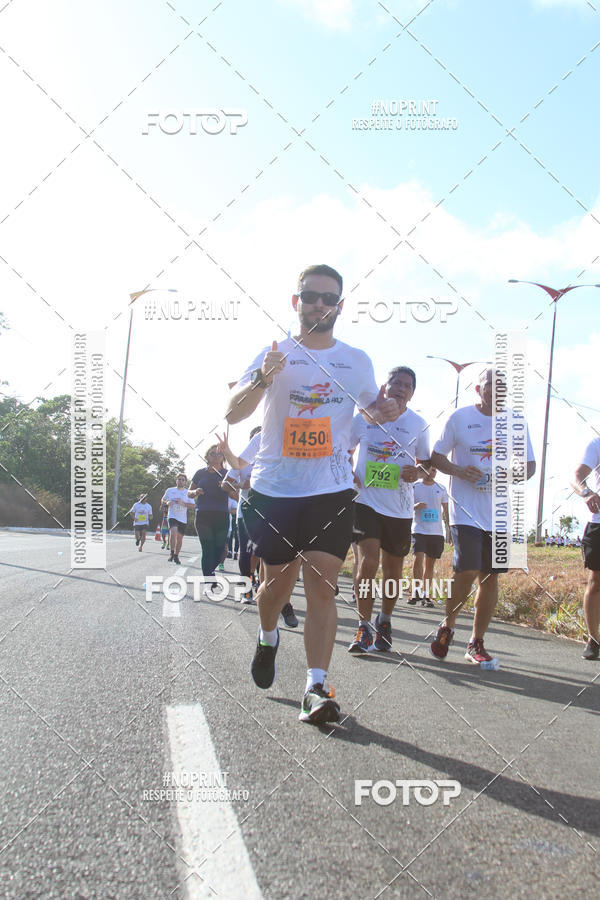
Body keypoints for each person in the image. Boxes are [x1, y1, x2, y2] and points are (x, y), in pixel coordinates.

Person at [226, 263, 400, 724]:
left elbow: (372, 411)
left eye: (329, 299)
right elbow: (233, 413)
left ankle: (316, 687)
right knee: (275, 586)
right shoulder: (274, 351)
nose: (319, 305)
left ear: (340, 306)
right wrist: (263, 378)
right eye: (311, 297)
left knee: (322, 583)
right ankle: (268, 637)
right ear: (296, 301)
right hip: (275, 489)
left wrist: (383, 410)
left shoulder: (356, 360)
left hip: (331, 487)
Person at [430, 368, 536, 665]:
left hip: (499, 515)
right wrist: (459, 471)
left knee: (491, 578)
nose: (496, 389)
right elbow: (436, 457)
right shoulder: (460, 418)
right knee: (465, 571)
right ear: (479, 389)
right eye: (490, 385)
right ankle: (448, 626)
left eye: (502, 385)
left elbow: (529, 466)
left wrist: (509, 473)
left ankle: (476, 642)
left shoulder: (516, 422)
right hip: (464, 511)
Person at [348, 366, 430, 653]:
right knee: (368, 562)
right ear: (385, 386)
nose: (401, 388)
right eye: (396, 383)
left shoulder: (418, 423)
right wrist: (349, 474)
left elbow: (427, 466)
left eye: (407, 385)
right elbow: (342, 450)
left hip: (399, 507)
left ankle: (385, 620)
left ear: (412, 393)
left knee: (393, 571)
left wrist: (417, 474)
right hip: (365, 502)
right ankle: (363, 627)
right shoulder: (365, 418)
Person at [220, 428, 298, 625]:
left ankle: (280, 601)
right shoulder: (243, 462)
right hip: (247, 513)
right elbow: (225, 484)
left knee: (268, 557)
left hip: (274, 512)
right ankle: (247, 587)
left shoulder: (279, 456)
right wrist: (239, 489)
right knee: (247, 553)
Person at [571, 440, 600, 659]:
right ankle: (593, 639)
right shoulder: (597, 444)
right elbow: (576, 476)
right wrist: (587, 492)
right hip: (599, 523)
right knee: (596, 581)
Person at [410, 466, 450, 607]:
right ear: (423, 471)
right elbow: (405, 505)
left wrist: (449, 530)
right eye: (429, 470)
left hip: (436, 531)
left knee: (430, 565)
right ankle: (416, 591)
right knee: (418, 558)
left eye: (434, 470)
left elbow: (446, 511)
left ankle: (425, 595)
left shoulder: (441, 488)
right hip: (419, 529)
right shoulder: (414, 487)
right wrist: (416, 506)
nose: (431, 473)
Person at [189, 446, 230, 578]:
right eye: (212, 454)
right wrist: (195, 492)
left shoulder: (227, 473)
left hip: (221, 515)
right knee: (207, 549)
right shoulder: (200, 473)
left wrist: (226, 488)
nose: (216, 456)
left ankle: (209, 571)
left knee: (220, 551)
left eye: (219, 454)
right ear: (207, 456)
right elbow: (189, 493)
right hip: (203, 515)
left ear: (223, 457)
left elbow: (236, 495)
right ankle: (208, 580)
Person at [160, 474, 195, 564]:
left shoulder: (188, 492)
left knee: (179, 538)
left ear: (185, 482)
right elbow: (163, 500)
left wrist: (183, 503)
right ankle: (171, 552)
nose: (181, 481)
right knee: (173, 532)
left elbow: (193, 506)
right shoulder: (170, 490)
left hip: (182, 518)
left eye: (183, 480)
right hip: (172, 516)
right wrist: (167, 502)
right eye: (179, 479)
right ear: (176, 481)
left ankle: (176, 555)